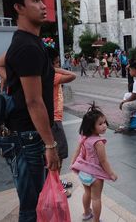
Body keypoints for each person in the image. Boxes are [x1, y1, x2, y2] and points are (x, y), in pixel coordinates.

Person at [0, 0, 60, 221]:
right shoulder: (27, 47)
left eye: (42, 0)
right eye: (36, 0)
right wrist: (50, 145)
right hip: (28, 137)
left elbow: (0, 64)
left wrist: (14, 82)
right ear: (19, 7)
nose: (43, 6)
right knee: (32, 207)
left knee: (35, 202)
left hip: (26, 135)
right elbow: (34, 102)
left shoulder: (26, 42)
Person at [70, 104, 118, 222]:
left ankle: (86, 214)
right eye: (100, 124)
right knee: (96, 198)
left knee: (87, 193)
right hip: (95, 175)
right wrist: (111, 174)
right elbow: (103, 161)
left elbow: (77, 150)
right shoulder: (98, 142)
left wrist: (72, 163)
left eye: (104, 122)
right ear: (92, 127)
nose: (104, 126)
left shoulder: (84, 137)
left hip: (83, 172)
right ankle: (96, 220)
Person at [47, 47, 77, 197]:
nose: (60, 65)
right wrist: (55, 69)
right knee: (59, 155)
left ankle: (55, 182)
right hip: (54, 121)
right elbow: (72, 75)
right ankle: (55, 187)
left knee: (57, 155)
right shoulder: (52, 75)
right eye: (57, 62)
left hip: (53, 119)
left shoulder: (47, 74)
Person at [115, 62, 136, 133]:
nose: (129, 72)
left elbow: (133, 96)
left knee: (126, 106)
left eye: (130, 70)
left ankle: (126, 126)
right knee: (127, 97)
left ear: (134, 70)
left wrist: (124, 102)